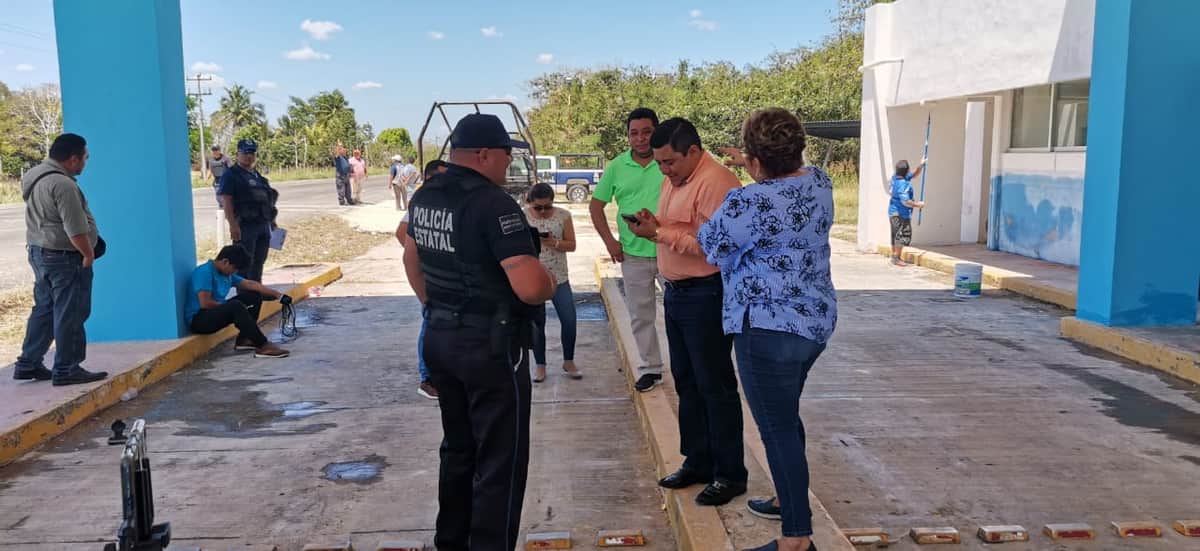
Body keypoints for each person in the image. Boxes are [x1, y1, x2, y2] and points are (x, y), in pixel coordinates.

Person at [402, 113, 556, 550]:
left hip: (441, 339)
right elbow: (528, 287)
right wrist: (548, 281)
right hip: (489, 346)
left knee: (458, 448)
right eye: (506, 159)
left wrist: (435, 306)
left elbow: (411, 261)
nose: (506, 169)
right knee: (499, 459)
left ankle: (451, 541)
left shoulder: (425, 196)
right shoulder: (493, 204)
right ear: (486, 154)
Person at [702, 109, 838, 551]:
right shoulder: (819, 182)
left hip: (766, 331)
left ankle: (796, 539)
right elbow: (784, 190)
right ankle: (787, 499)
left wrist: (749, 175)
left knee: (775, 427)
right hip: (812, 325)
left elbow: (713, 247)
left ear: (753, 160)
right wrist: (755, 165)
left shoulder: (747, 202)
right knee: (786, 416)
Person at [629, 117, 747, 506]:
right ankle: (697, 461)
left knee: (715, 385)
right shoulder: (675, 180)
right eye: (660, 163)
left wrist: (658, 234)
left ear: (693, 152)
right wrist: (655, 224)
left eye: (670, 163)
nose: (664, 171)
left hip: (706, 293)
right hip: (678, 293)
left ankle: (729, 473)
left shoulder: (718, 184)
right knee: (687, 381)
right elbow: (680, 227)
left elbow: (719, 247)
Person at [12, 132, 109, 386]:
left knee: (45, 309)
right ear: (73, 158)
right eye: (85, 158)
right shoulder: (63, 184)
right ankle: (67, 367)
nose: (86, 163)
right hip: (65, 257)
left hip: (40, 252)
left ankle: (28, 363)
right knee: (71, 311)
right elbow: (75, 229)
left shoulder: (34, 175)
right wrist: (88, 254)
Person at [589, 107, 666, 392]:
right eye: (634, 133)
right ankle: (651, 368)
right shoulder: (617, 166)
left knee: (681, 315)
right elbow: (596, 206)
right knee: (640, 315)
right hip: (633, 254)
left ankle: (689, 369)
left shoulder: (669, 161)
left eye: (647, 132)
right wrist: (610, 242)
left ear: (657, 132)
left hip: (671, 250)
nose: (641, 138)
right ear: (628, 136)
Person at [394, 159, 449, 400]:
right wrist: (419, 254)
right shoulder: (422, 201)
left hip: (442, 274)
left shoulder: (440, 199)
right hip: (430, 275)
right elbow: (401, 232)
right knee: (430, 322)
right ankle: (427, 378)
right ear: (428, 178)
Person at [187, 245, 291, 358]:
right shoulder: (204, 272)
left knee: (253, 296)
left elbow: (250, 284)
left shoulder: (226, 274)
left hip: (214, 312)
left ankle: (244, 339)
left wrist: (278, 295)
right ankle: (263, 345)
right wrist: (233, 308)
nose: (234, 272)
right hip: (199, 319)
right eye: (234, 269)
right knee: (235, 306)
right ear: (225, 261)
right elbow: (205, 303)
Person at [524, 183, 581, 383]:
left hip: (559, 277)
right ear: (530, 203)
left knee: (569, 320)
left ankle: (569, 360)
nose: (542, 212)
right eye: (537, 207)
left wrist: (554, 242)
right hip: (534, 276)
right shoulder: (523, 216)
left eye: (547, 207)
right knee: (537, 324)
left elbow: (572, 245)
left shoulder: (563, 216)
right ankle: (540, 365)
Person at [217, 139, 280, 286]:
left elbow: (266, 200)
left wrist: (272, 221)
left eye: (251, 153)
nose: (249, 156)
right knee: (244, 264)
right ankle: (246, 297)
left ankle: (256, 292)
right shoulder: (232, 175)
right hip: (245, 226)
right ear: (238, 153)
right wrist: (233, 225)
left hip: (263, 225)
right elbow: (227, 201)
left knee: (259, 263)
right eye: (245, 152)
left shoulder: (258, 176)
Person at [887, 157, 926, 266]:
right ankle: (896, 258)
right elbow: (905, 201)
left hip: (892, 212)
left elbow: (913, 174)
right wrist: (918, 205)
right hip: (901, 213)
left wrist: (921, 165)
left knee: (895, 235)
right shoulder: (903, 183)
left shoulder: (895, 178)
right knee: (903, 234)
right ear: (905, 170)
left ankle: (894, 255)